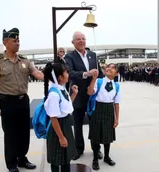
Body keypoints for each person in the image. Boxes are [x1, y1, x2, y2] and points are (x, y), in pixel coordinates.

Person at [0, 28, 44, 172]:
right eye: (14, 40)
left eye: (18, 40)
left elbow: (36, 73)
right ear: (5, 42)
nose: (17, 43)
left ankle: (22, 159)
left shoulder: (24, 60)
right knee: (11, 134)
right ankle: (11, 164)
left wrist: (49, 76)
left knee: (24, 133)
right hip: (7, 102)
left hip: (23, 101)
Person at [65, 31, 104, 160]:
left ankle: (96, 149)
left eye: (83, 38)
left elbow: (100, 74)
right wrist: (86, 74)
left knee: (95, 124)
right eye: (78, 39)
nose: (81, 41)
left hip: (93, 95)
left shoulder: (93, 55)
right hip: (78, 94)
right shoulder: (69, 57)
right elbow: (70, 73)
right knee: (77, 124)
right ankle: (78, 149)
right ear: (73, 42)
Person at [43, 62, 78, 172]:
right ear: (60, 77)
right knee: (56, 158)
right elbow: (53, 118)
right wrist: (61, 137)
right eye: (66, 72)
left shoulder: (61, 88)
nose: (68, 74)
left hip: (65, 125)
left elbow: (66, 108)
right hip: (57, 129)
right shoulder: (54, 94)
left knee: (66, 156)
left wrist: (74, 94)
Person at [87, 63, 121, 170]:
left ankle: (106, 156)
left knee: (108, 135)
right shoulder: (99, 81)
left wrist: (116, 118)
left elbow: (116, 103)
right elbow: (90, 92)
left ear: (116, 73)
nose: (109, 68)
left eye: (113, 68)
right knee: (96, 135)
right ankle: (95, 159)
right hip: (98, 109)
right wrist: (93, 79)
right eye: (108, 67)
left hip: (109, 110)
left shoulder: (117, 86)